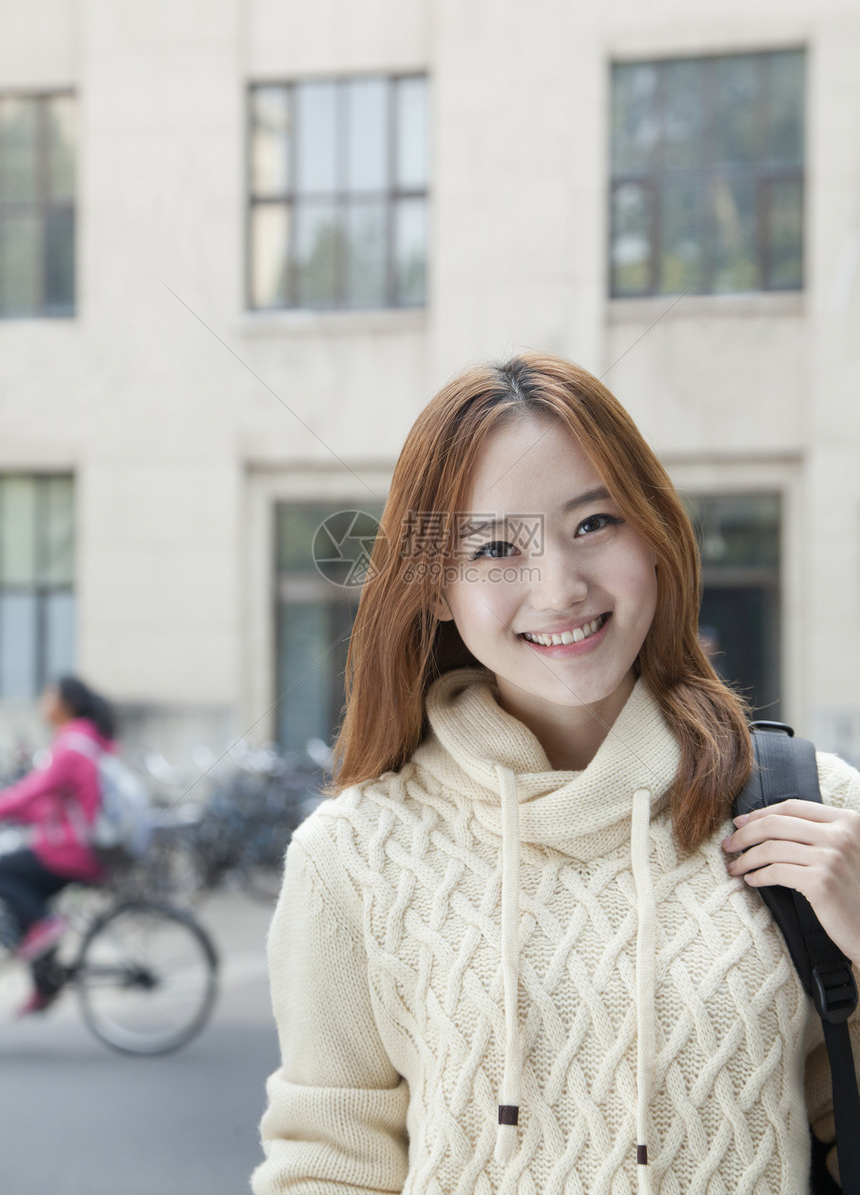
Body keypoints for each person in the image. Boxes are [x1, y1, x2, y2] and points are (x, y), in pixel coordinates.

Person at [253, 352, 860, 1194]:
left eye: (594, 524)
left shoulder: (812, 808)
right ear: (434, 588)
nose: (560, 588)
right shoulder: (350, 858)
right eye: (497, 546)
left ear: (653, 535)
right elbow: (329, 1161)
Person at [0, 674, 114, 1014]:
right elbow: (56, 803)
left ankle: (44, 928)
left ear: (66, 704)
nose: (43, 702)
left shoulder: (70, 746)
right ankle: (44, 984)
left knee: (6, 874)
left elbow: (32, 791)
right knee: (26, 907)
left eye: (48, 695)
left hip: (72, 852)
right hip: (81, 846)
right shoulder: (88, 740)